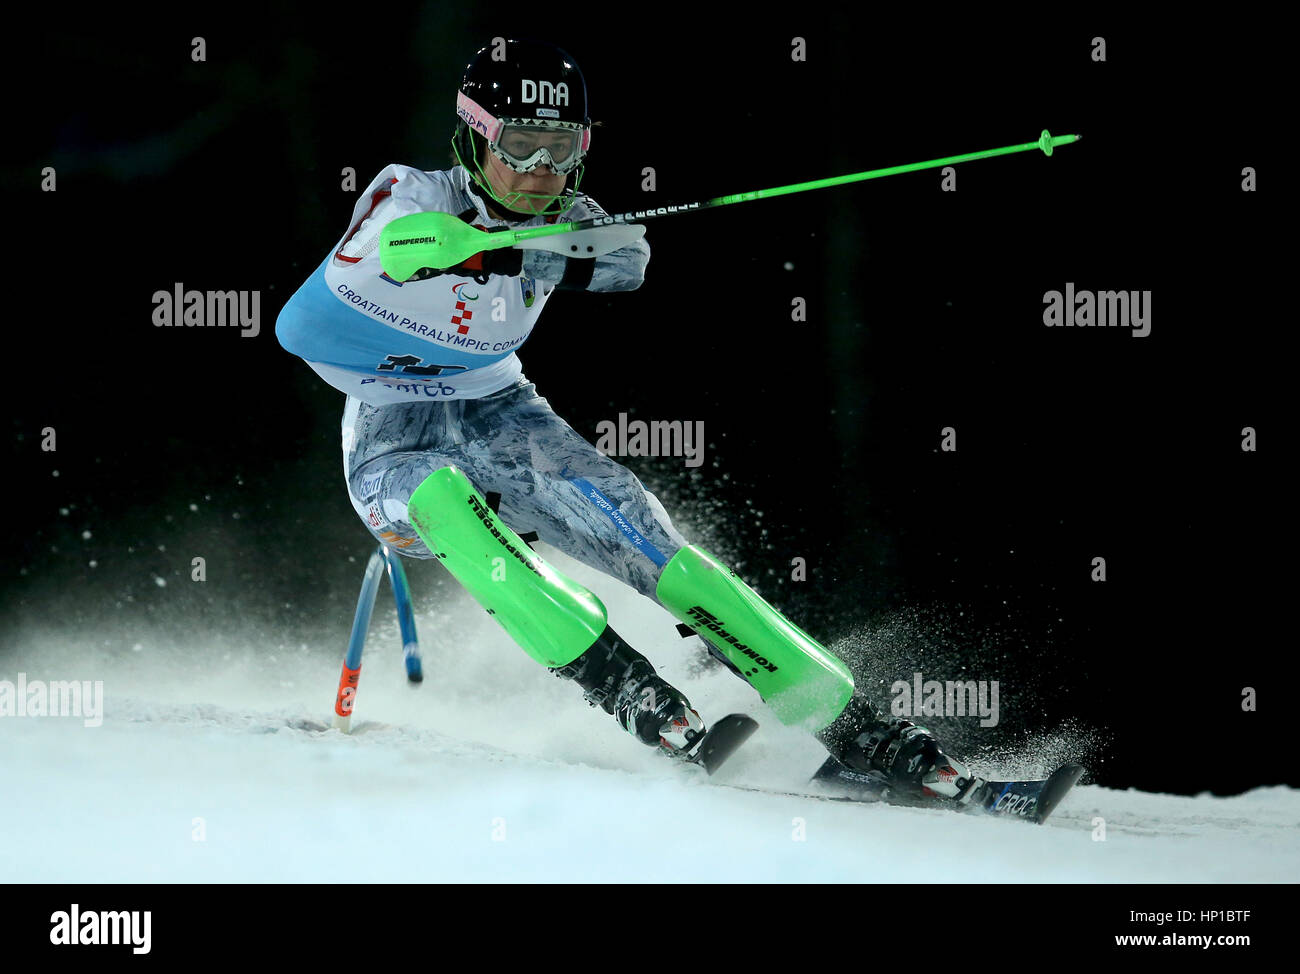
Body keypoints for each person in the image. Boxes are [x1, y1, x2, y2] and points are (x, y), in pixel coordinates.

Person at [276, 38, 979, 804]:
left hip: (501, 411)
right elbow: (374, 253)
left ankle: (858, 728)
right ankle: (626, 688)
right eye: (520, 144)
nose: (541, 168)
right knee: (443, 502)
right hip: (391, 435)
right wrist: (442, 247)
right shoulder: (409, 190)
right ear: (475, 137)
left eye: (562, 147)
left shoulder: (566, 214)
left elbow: (626, 260)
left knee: (647, 537)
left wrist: (510, 254)